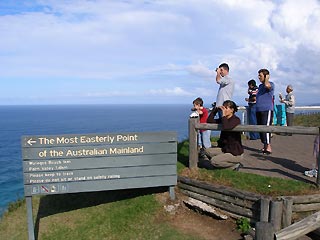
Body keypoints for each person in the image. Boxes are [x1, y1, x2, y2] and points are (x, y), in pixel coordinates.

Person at [203, 100, 243, 170]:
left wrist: (223, 115)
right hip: (225, 150)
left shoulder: (236, 119)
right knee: (207, 151)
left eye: (226, 108)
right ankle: (221, 163)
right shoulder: (223, 119)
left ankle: (234, 166)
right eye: (223, 108)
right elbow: (209, 121)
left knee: (213, 161)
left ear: (232, 110)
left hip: (234, 153)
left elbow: (226, 127)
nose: (224, 110)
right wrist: (215, 110)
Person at [256, 69, 275, 154]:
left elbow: (267, 86)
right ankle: (264, 145)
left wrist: (267, 79)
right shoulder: (260, 86)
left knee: (266, 128)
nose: (258, 77)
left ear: (265, 76)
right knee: (261, 129)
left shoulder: (271, 84)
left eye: (260, 75)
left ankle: (268, 146)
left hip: (267, 110)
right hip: (259, 109)